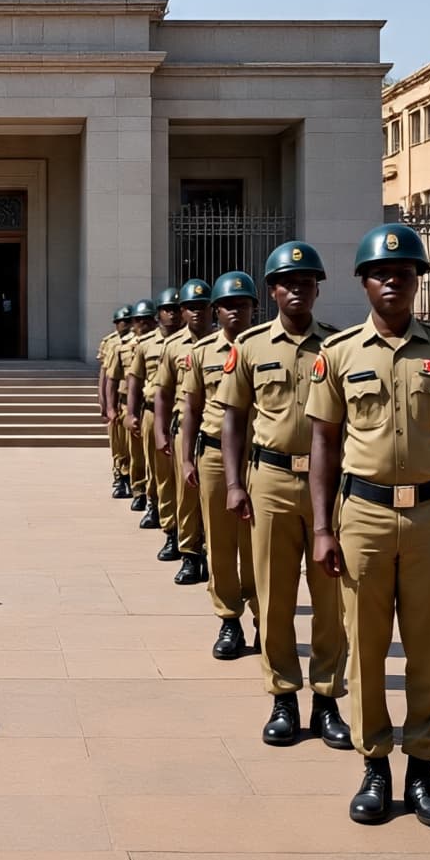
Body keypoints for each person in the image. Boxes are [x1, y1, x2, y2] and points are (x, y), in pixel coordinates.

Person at [307, 222, 430, 828]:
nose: (392, 281)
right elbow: (325, 443)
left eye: (404, 273)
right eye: (381, 273)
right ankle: (375, 766)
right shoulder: (338, 355)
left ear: (417, 282)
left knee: (428, 648)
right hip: (364, 516)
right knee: (367, 647)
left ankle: (424, 769)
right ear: (363, 282)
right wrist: (324, 528)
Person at [218, 242, 351, 750]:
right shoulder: (249, 346)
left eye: (306, 282)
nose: (297, 290)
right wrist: (233, 483)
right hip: (269, 482)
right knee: (273, 597)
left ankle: (326, 699)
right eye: (287, 282)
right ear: (271, 289)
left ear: (318, 288)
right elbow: (233, 420)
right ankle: (282, 697)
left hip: (328, 486)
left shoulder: (338, 347)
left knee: (329, 599)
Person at [179, 272, 259, 658]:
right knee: (222, 546)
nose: (235, 312)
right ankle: (230, 620)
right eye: (228, 306)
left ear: (254, 309)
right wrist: (185, 458)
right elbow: (191, 409)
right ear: (216, 311)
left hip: (259, 458)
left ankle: (265, 618)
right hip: (212, 454)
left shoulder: (263, 348)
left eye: (243, 305)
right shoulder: (202, 353)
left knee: (261, 545)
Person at [154, 279, 213, 585]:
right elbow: (162, 393)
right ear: (182, 311)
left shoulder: (228, 344)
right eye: (191, 307)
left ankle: (215, 557)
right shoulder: (172, 347)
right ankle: (189, 553)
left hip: (218, 429)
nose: (197, 313)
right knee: (186, 494)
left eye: (202, 307)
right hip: (183, 428)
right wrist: (161, 432)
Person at [127, 287, 181, 552]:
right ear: (159, 313)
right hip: (151, 412)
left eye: (176, 309)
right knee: (158, 471)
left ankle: (185, 532)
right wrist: (130, 414)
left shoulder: (193, 344)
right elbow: (134, 382)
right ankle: (165, 520)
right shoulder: (146, 345)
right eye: (166, 309)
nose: (172, 314)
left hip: (182, 416)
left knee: (183, 477)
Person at [110, 299, 156, 516]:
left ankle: (154, 498)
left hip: (152, 406)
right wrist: (109, 407)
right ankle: (138, 490)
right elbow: (110, 377)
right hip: (128, 404)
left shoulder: (161, 344)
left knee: (153, 457)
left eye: (148, 318)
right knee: (134, 453)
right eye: (138, 320)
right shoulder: (122, 346)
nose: (143, 323)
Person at [100, 307, 132, 498]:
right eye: (124, 321)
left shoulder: (138, 343)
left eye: (130, 321)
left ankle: (131, 479)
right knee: (118, 444)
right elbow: (105, 376)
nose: (127, 325)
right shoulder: (110, 343)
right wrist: (104, 403)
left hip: (131, 401)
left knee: (131, 447)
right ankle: (119, 475)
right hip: (118, 400)